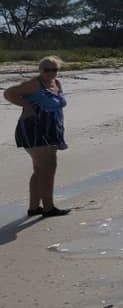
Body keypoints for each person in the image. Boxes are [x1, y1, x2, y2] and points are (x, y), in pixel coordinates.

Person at [3, 56, 71, 217]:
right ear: (40, 70)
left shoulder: (57, 83)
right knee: (48, 168)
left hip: (51, 130)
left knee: (39, 169)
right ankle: (48, 208)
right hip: (33, 129)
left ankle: (34, 208)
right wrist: (26, 105)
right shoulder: (34, 84)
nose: (51, 73)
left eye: (54, 69)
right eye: (47, 70)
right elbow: (8, 93)